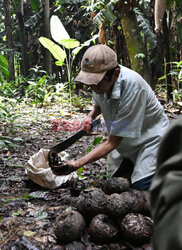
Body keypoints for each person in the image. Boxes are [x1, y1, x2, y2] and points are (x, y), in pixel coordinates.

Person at [62, 44, 169, 191]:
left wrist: (76, 164)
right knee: (114, 183)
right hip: (126, 142)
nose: (93, 87)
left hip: (150, 139)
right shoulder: (99, 83)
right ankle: (135, 165)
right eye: (90, 83)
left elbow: (112, 142)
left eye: (96, 83)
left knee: (141, 188)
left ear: (115, 74)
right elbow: (99, 103)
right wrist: (91, 116)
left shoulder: (133, 87)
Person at [150, 117, 182, 250]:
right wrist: (91, 115)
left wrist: (79, 163)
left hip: (150, 138)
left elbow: (114, 140)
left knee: (141, 184)